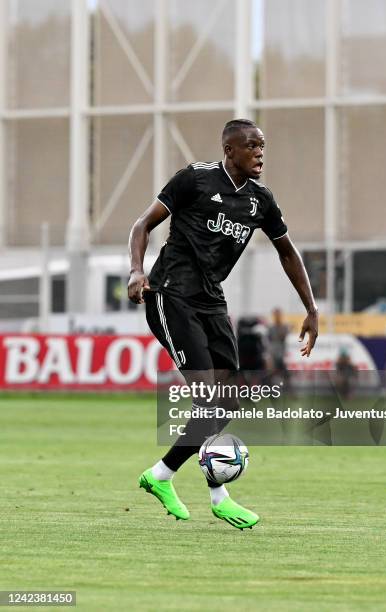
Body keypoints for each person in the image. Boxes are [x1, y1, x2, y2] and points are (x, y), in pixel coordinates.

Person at [128, 118, 318, 530]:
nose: (260, 153)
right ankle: (218, 495)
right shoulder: (194, 180)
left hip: (211, 300)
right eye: (252, 146)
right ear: (229, 150)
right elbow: (142, 225)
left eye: (263, 146)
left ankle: (161, 476)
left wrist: (311, 309)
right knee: (208, 400)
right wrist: (135, 271)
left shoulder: (260, 201)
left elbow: (287, 252)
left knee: (229, 399)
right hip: (170, 294)